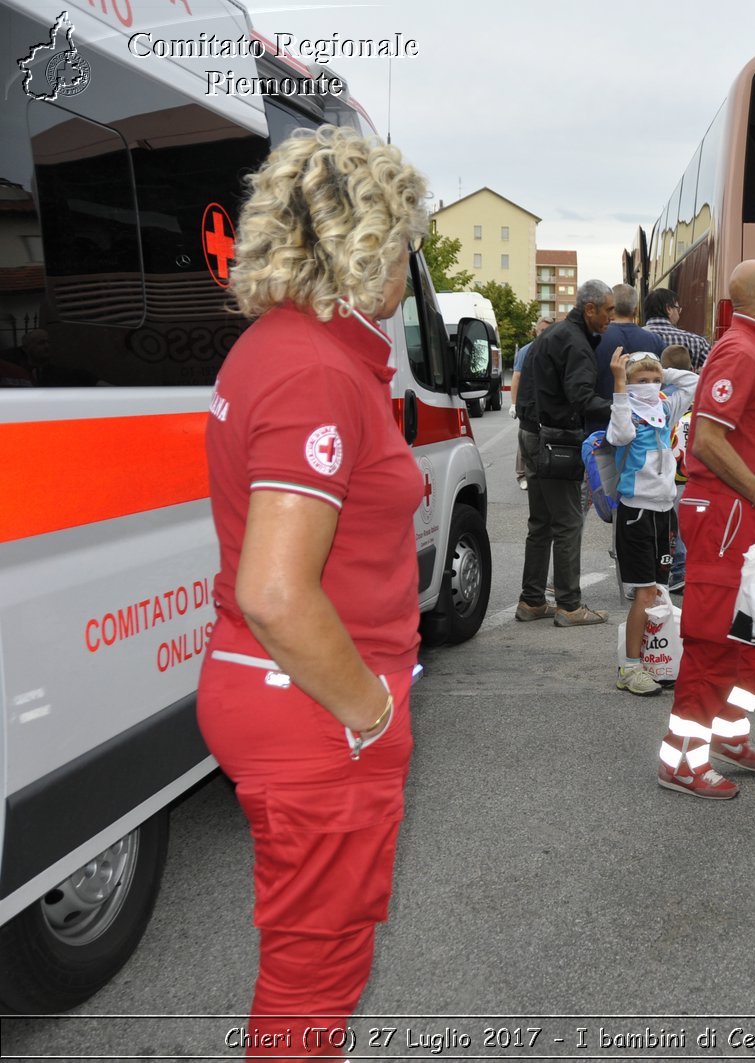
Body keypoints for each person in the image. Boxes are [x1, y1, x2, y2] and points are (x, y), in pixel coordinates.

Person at [197, 125, 426, 1056]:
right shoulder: (315, 369)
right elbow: (278, 592)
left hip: (282, 695)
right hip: (313, 705)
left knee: (313, 960)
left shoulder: (286, 346)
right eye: (407, 241)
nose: (411, 264)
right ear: (371, 246)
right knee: (313, 973)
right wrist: (369, 712)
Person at [658, 259, 755, 800]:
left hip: (753, 515)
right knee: (713, 643)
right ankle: (682, 761)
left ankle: (726, 732)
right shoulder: (742, 352)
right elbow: (707, 441)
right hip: (731, 515)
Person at [515, 280, 614, 627]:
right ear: (590, 309)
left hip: (531, 433)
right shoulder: (575, 343)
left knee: (541, 523)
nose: (610, 318)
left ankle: (531, 601)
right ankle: (569, 605)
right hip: (555, 439)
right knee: (569, 522)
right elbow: (582, 397)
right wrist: (621, 408)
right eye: (608, 310)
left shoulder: (554, 334)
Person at [606, 349, 699, 696]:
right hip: (636, 512)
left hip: (664, 510)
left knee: (659, 590)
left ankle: (654, 659)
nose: (649, 386)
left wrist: (661, 371)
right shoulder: (625, 410)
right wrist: (621, 384)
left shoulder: (663, 408)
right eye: (641, 381)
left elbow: (694, 382)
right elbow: (619, 437)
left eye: (653, 381)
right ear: (628, 385)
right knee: (644, 593)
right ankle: (629, 669)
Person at [589, 285, 663, 433]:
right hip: (644, 427)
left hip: (600, 427)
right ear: (635, 309)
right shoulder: (655, 341)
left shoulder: (593, 339)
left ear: (611, 308)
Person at [660, 343, 695, 590]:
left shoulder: (661, 398)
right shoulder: (698, 395)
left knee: (666, 524)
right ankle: (685, 570)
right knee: (686, 524)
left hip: (667, 473)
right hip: (692, 474)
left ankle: (672, 569)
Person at [508, 317, 554, 491]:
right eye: (542, 330)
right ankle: (521, 474)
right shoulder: (526, 351)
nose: (545, 333)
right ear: (536, 331)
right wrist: (514, 403)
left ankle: (542, 471)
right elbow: (517, 376)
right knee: (526, 438)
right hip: (527, 403)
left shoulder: (553, 349)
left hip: (545, 403)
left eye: (548, 330)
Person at [642, 287, 712, 370]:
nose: (679, 313)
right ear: (668, 309)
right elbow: (716, 366)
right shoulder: (695, 341)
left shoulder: (634, 337)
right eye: (678, 309)